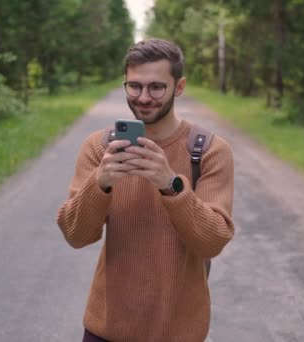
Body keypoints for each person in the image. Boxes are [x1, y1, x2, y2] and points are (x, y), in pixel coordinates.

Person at [57, 38, 235, 342]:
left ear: (179, 87)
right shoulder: (99, 149)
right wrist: (100, 183)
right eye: (134, 86)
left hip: (178, 332)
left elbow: (213, 242)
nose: (144, 97)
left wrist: (171, 185)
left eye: (156, 87)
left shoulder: (209, 152)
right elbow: (75, 234)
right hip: (106, 328)